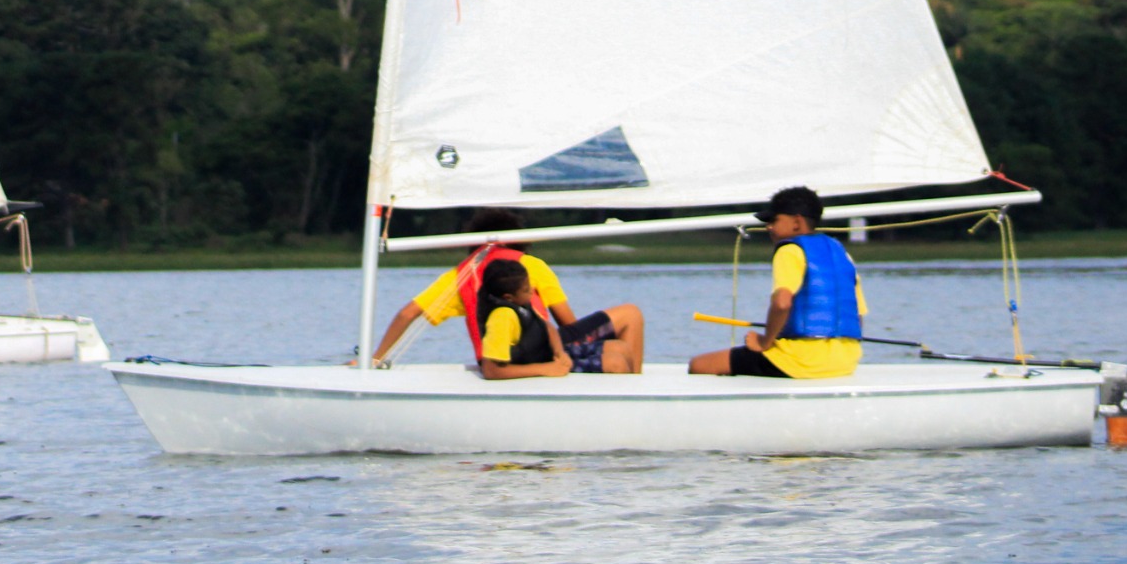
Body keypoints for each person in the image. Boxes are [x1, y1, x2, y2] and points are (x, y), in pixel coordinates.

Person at [370, 208, 644, 374]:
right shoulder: (530, 265)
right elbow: (568, 324)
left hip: (512, 350)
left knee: (621, 337)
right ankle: (630, 394)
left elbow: (408, 314)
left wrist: (375, 359)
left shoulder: (459, 275)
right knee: (630, 317)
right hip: (535, 351)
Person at [688, 185, 864, 379]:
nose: (768, 227)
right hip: (846, 361)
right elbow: (859, 315)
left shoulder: (789, 250)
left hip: (800, 361)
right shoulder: (842, 253)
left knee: (699, 365)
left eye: (774, 220)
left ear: (796, 222)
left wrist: (765, 341)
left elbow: (782, 302)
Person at [472, 258, 572, 380]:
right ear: (508, 297)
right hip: (539, 364)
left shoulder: (521, 303)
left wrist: (559, 352)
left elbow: (547, 327)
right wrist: (544, 369)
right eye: (526, 289)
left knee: (602, 337)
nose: (532, 290)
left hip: (550, 356)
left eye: (530, 284)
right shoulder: (502, 317)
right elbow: (491, 370)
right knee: (602, 357)